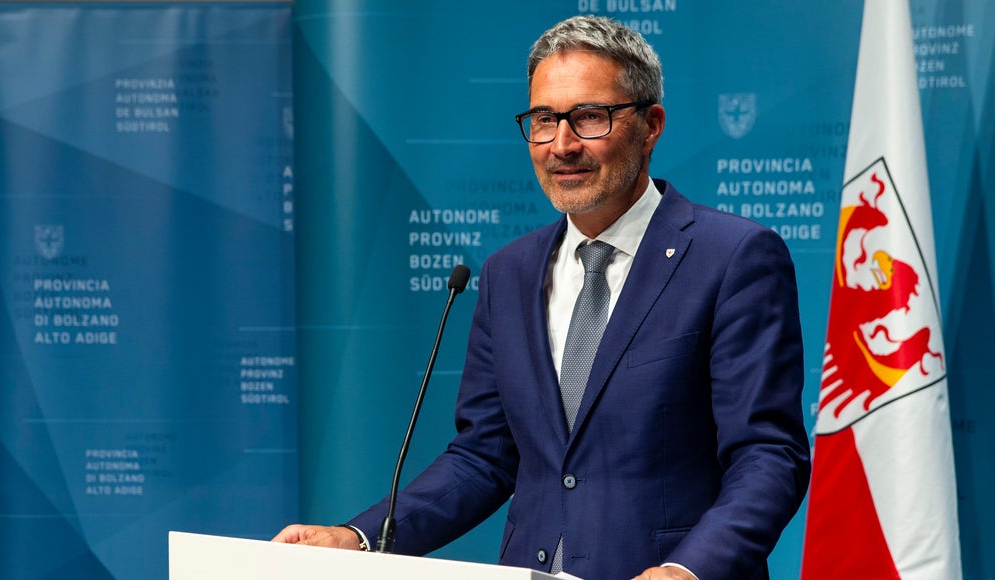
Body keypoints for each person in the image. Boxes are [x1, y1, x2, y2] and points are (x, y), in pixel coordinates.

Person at [274, 14, 810, 580]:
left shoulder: (733, 257)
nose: (562, 145)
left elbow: (767, 455)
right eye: (545, 120)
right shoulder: (508, 273)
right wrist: (359, 538)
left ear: (651, 125)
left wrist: (687, 569)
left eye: (590, 117)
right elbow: (483, 457)